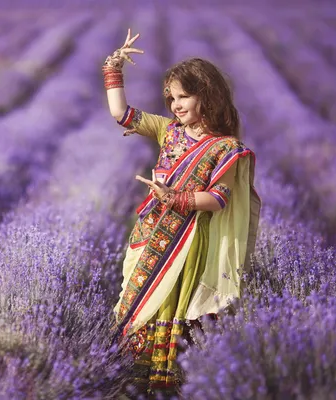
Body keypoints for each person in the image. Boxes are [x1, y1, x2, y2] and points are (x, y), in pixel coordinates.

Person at [103, 29, 261, 395]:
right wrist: (113, 70)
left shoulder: (227, 148)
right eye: (170, 98)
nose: (174, 105)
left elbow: (218, 199)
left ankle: (171, 379)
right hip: (152, 233)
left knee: (175, 301)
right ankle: (129, 373)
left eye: (183, 96)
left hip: (189, 242)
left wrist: (176, 197)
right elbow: (121, 114)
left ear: (206, 96)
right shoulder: (167, 131)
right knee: (136, 296)